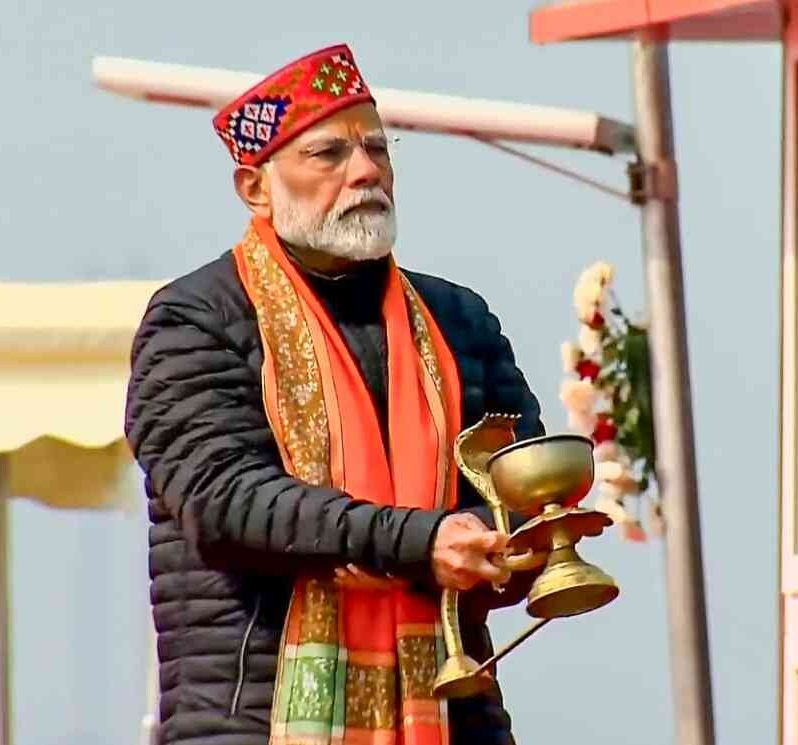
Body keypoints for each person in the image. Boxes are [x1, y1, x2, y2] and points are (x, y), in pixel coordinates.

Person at [124, 43, 544, 745]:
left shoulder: (458, 320)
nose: (366, 171)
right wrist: (421, 542)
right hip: (253, 720)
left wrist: (508, 541)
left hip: (450, 714)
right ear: (255, 187)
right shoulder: (194, 318)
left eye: (378, 149)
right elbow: (226, 500)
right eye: (328, 155)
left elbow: (516, 471)